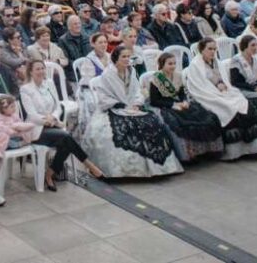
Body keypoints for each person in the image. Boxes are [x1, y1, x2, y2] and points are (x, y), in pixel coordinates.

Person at [78, 46, 183, 177]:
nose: (127, 59)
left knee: (152, 124)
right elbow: (103, 97)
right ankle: (129, 170)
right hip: (113, 108)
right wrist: (121, 105)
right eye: (124, 57)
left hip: (132, 107)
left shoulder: (131, 71)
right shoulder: (107, 74)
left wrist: (136, 103)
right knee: (118, 131)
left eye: (128, 56)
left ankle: (158, 167)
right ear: (115, 59)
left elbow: (137, 90)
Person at [19, 60, 104, 189]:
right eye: (37, 69)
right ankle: (89, 165)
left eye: (42, 68)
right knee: (66, 137)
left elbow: (58, 106)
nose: (41, 71)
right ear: (30, 72)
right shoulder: (26, 89)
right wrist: (46, 120)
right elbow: (31, 114)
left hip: (53, 123)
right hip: (36, 128)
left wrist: (53, 117)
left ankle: (49, 173)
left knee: (66, 143)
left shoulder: (49, 83)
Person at [184, 39, 257, 160]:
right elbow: (199, 87)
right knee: (226, 107)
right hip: (207, 95)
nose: (213, 52)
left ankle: (251, 149)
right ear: (201, 50)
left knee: (242, 102)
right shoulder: (195, 65)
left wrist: (224, 87)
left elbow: (226, 81)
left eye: (214, 49)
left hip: (223, 91)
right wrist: (217, 90)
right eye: (209, 49)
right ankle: (234, 152)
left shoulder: (217, 62)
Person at [145, 52, 225, 163]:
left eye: (174, 63)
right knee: (179, 122)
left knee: (205, 115)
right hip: (165, 105)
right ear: (162, 64)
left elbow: (182, 94)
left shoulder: (178, 76)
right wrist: (173, 105)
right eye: (170, 64)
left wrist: (184, 101)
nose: (173, 66)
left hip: (178, 103)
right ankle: (190, 154)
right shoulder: (156, 79)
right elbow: (154, 101)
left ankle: (207, 151)